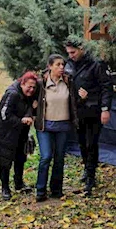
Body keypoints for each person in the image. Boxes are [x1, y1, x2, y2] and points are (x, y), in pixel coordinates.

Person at [64, 40, 113, 197]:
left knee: (91, 143)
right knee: (82, 143)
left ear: (82, 49)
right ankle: (87, 169)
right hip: (77, 112)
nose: (70, 56)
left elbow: (106, 87)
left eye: (73, 52)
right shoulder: (69, 64)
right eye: (68, 53)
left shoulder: (96, 64)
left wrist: (105, 109)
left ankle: (91, 177)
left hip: (93, 110)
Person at [0, 72, 38, 200]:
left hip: (20, 132)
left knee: (21, 158)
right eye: (28, 87)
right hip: (4, 133)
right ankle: (5, 188)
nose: (31, 90)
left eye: (33, 87)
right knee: (5, 160)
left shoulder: (29, 96)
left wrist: (32, 110)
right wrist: (21, 121)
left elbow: (30, 109)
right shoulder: (12, 94)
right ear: (22, 83)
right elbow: (4, 115)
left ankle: (19, 183)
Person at [34, 54, 78, 202]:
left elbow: (74, 100)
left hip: (63, 126)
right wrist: (34, 110)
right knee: (46, 156)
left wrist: (82, 97)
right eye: (58, 65)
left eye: (63, 65)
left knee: (59, 158)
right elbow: (30, 98)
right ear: (50, 66)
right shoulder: (41, 83)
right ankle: (40, 190)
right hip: (45, 126)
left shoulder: (68, 81)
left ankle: (56, 190)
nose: (61, 68)